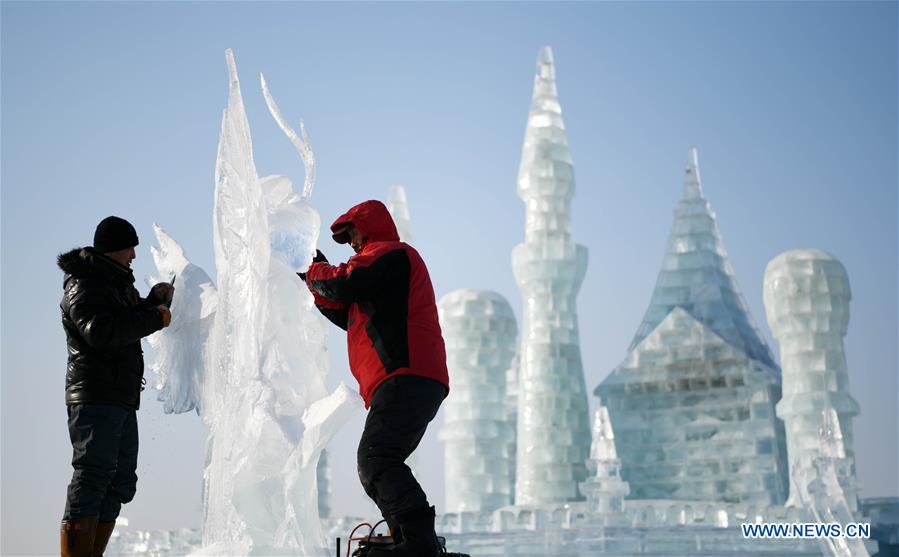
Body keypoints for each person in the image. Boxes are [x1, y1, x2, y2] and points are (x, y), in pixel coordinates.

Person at [301, 200, 449, 557]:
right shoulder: (377, 270)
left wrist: (314, 269)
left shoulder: (391, 254)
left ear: (368, 227)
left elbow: (346, 284)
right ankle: (406, 540)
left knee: (377, 458)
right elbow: (348, 311)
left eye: (352, 233)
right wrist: (313, 283)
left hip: (406, 374)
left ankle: (419, 544)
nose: (351, 243)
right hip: (407, 378)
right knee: (379, 459)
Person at [57, 216, 174, 557]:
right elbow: (101, 332)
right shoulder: (84, 285)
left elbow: (123, 319)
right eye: (129, 248)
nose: (134, 255)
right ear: (113, 249)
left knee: (119, 480)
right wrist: (154, 318)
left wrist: (151, 302)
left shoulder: (114, 284)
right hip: (95, 396)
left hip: (119, 396)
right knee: (93, 475)